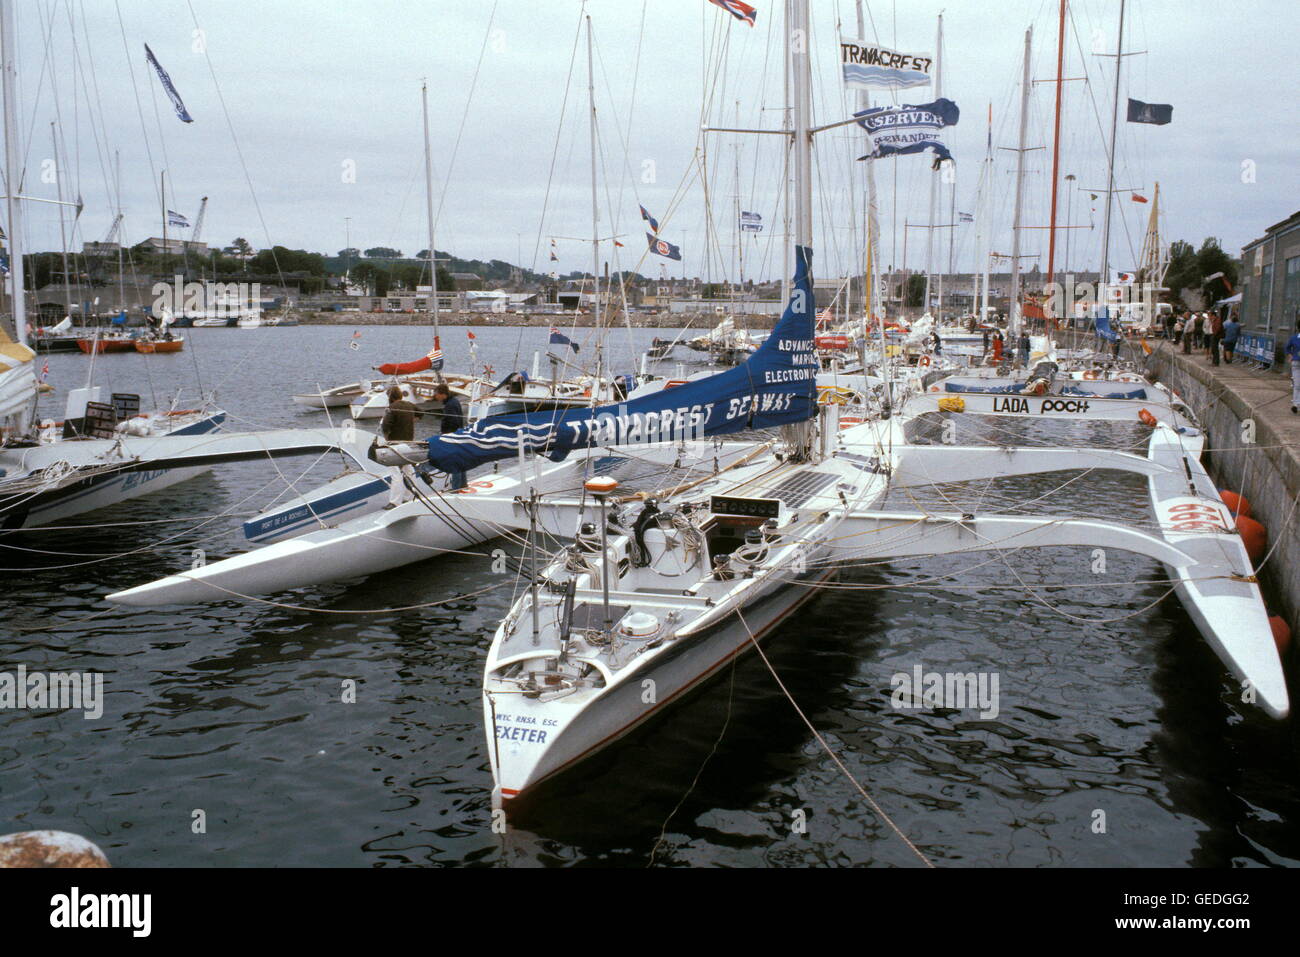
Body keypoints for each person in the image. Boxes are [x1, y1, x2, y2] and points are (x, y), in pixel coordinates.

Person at [380, 386, 419, 508]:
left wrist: (386, 437)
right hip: (408, 443)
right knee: (408, 470)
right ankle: (410, 496)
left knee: (396, 473)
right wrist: (412, 420)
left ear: (390, 397)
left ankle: (394, 501)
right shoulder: (409, 405)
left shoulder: (391, 408)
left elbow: (386, 426)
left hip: (395, 443)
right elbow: (421, 412)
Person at [433, 385, 467, 490]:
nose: (435, 397)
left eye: (437, 395)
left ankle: (456, 487)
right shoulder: (453, 401)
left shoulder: (450, 405)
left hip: (453, 436)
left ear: (443, 394)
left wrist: (446, 434)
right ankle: (463, 484)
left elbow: (453, 421)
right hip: (459, 434)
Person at [1287, 320, 1300, 414]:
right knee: (1297, 384)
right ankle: (1295, 404)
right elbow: (1287, 347)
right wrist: (1290, 355)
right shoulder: (1294, 338)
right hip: (1296, 363)